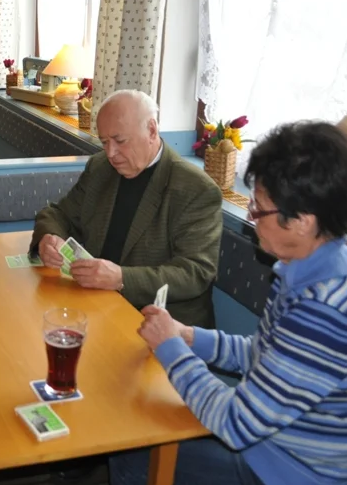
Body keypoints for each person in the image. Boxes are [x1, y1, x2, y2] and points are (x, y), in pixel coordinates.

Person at [110, 122, 347, 485]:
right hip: (282, 450)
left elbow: (236, 425)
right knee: (150, 429)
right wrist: (188, 336)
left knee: (132, 459)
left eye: (258, 208)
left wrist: (171, 350)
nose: (250, 216)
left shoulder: (322, 310)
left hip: (294, 483)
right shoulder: (320, 263)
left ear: (303, 220)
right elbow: (266, 354)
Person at [30, 90, 222, 328]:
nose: (111, 153)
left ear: (152, 130)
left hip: (161, 325)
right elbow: (57, 214)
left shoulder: (195, 189)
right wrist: (50, 238)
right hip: (97, 306)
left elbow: (195, 273)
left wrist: (121, 279)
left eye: (120, 141)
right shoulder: (101, 168)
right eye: (104, 142)